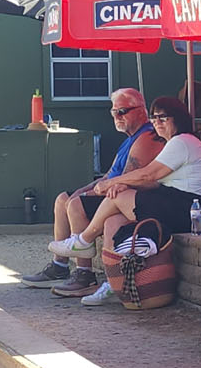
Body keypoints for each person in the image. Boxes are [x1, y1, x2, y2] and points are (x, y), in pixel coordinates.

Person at [46, 95, 201, 307]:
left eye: (163, 118)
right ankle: (114, 281)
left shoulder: (183, 141)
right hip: (172, 202)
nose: (157, 122)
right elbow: (154, 182)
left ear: (178, 118)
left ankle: (84, 241)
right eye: (154, 118)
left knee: (117, 195)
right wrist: (124, 185)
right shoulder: (174, 144)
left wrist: (113, 183)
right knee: (113, 221)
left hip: (187, 208)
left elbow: (148, 174)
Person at [23, 87, 164, 297]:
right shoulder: (130, 139)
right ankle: (59, 266)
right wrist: (84, 189)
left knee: (76, 204)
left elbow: (127, 181)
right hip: (114, 191)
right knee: (63, 199)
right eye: (113, 112)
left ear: (141, 111)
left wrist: (85, 196)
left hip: (127, 197)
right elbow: (109, 175)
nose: (117, 117)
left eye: (122, 111)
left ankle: (84, 275)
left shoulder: (146, 137)